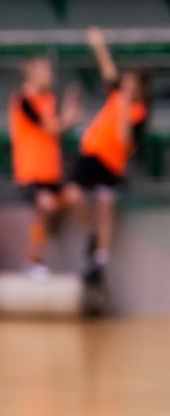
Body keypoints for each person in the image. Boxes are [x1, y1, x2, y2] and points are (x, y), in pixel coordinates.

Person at [64, 28, 151, 306]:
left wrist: (125, 108)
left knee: (105, 208)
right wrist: (99, 44)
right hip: (92, 154)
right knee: (74, 194)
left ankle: (100, 261)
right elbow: (108, 69)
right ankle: (91, 230)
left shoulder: (138, 113)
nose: (127, 87)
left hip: (112, 164)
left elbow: (125, 139)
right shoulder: (116, 94)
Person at [8, 54, 81, 275]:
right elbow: (50, 127)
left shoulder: (48, 99)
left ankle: (92, 249)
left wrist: (67, 116)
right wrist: (68, 118)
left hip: (51, 172)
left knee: (75, 196)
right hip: (31, 172)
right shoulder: (23, 99)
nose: (50, 76)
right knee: (45, 205)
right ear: (32, 74)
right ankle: (32, 259)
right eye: (46, 71)